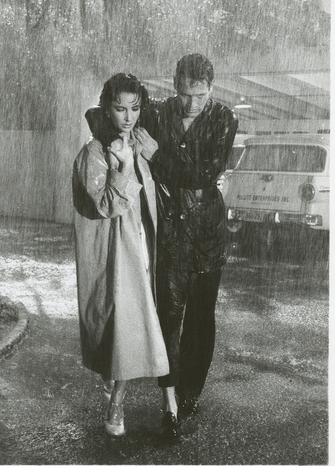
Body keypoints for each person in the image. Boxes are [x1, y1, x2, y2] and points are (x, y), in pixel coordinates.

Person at [133, 53, 239, 437]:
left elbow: (204, 176)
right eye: (184, 94)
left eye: (200, 94)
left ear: (211, 88)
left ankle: (192, 392)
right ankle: (171, 400)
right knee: (168, 319)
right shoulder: (157, 112)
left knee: (200, 319)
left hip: (209, 233)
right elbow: (102, 114)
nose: (192, 104)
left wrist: (156, 155)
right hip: (171, 233)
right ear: (174, 86)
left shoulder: (224, 119)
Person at [72, 73, 169, 438]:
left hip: (143, 247)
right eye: (119, 108)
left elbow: (156, 196)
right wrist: (125, 165)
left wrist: (149, 156)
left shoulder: (140, 144)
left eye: (135, 108)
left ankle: (118, 399)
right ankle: (111, 382)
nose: (128, 117)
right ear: (106, 109)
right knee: (114, 324)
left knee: (133, 326)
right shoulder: (93, 153)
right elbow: (106, 205)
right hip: (113, 254)